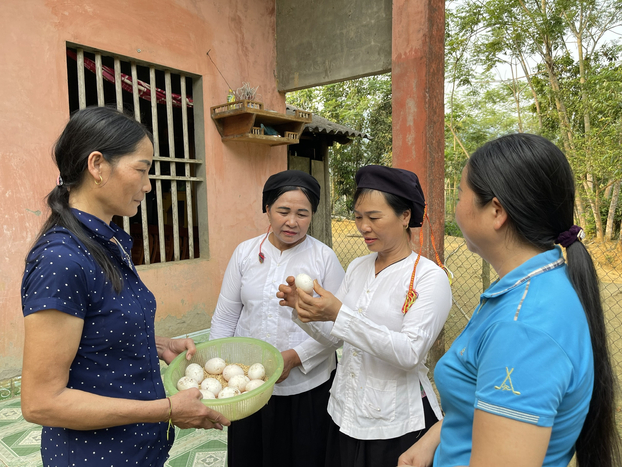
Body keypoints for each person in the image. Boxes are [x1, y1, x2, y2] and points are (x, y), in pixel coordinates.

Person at [20, 106, 230, 467]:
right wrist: (166, 409)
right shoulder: (62, 259)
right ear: (98, 165)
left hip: (137, 451)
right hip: (96, 457)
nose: (149, 185)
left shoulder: (107, 241)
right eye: (142, 169)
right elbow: (41, 401)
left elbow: (94, 333)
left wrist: (155, 343)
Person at [398, 133, 622, 467]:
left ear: (497, 211)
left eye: (461, 193)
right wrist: (438, 436)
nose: (456, 204)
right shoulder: (531, 289)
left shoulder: (524, 326)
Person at [277, 165, 452, 467]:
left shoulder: (428, 277)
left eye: (374, 217)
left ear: (405, 216)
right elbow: (334, 337)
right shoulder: (358, 266)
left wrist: (338, 313)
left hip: (396, 422)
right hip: (345, 411)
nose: (363, 227)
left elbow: (410, 352)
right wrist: (305, 310)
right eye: (359, 217)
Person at [209, 170, 346, 467]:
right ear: (267, 209)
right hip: (247, 384)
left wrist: (295, 357)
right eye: (283, 211)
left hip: (307, 387)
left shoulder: (324, 258)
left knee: (302, 456)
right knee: (250, 456)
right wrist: (217, 376)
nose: (292, 222)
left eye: (303, 213)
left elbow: (339, 328)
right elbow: (226, 316)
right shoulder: (245, 253)